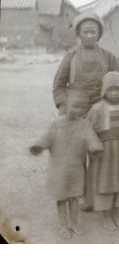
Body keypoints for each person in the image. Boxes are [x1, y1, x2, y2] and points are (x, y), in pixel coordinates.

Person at [30, 88, 104, 239]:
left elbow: (91, 138)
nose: (78, 110)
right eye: (75, 106)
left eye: (82, 107)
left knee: (74, 197)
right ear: (66, 105)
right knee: (62, 198)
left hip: (76, 169)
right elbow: (46, 138)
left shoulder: (85, 124)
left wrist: (95, 147)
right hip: (59, 170)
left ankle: (74, 223)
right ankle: (63, 225)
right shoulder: (56, 124)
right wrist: (39, 146)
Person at [87, 72, 119, 231]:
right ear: (104, 90)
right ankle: (106, 216)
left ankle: (115, 214)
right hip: (104, 152)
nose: (114, 93)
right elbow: (88, 129)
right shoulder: (97, 108)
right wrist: (94, 145)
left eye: (118, 90)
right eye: (110, 90)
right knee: (106, 182)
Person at [53, 13, 119, 114]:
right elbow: (59, 85)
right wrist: (63, 104)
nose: (89, 36)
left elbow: (117, 83)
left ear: (99, 33)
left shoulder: (109, 57)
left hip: (101, 108)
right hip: (75, 109)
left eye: (93, 32)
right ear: (79, 34)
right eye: (85, 32)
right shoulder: (70, 56)